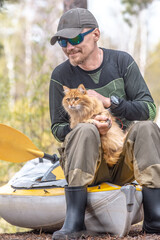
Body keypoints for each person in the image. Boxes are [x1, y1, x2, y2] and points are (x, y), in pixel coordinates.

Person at [49, 7, 160, 240]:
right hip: (86, 165)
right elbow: (57, 129)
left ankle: (155, 218)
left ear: (96, 34)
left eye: (76, 38)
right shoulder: (60, 75)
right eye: (63, 41)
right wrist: (83, 125)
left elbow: (149, 109)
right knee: (86, 129)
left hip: (123, 160)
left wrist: (110, 103)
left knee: (147, 127)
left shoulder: (122, 62)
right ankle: (74, 222)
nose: (69, 47)